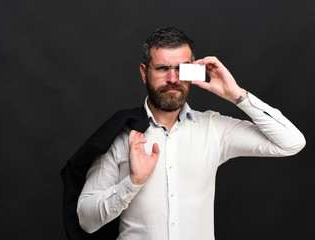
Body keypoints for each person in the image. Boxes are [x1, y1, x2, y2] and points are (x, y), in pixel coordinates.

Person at [73, 26, 306, 240]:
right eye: (163, 68)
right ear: (144, 73)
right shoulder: (121, 135)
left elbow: (291, 143)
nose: (172, 79)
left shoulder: (214, 129)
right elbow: (86, 220)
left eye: (181, 69)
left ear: (192, 70)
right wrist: (132, 182)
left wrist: (235, 94)